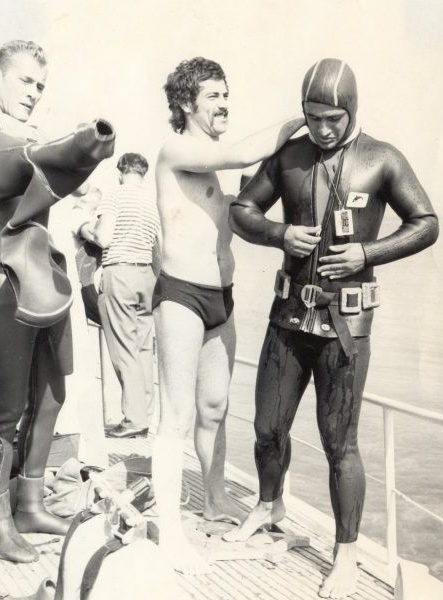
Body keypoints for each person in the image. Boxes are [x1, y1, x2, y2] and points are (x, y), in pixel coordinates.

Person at [226, 58, 439, 598]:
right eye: (312, 117)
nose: (322, 128)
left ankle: (345, 554)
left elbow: (426, 223)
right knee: (267, 427)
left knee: (338, 442)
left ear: (352, 111)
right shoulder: (290, 155)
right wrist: (278, 234)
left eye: (333, 119)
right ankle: (269, 506)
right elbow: (242, 210)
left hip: (346, 323)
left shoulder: (382, 158)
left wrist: (368, 252)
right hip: (288, 317)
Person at [152, 56, 306, 575]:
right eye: (213, 96)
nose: (224, 104)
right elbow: (244, 150)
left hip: (222, 297)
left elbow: (244, 214)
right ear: (185, 103)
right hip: (181, 294)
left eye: (226, 95)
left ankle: (214, 500)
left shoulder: (216, 167)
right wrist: (302, 118)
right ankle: (170, 532)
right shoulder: (176, 149)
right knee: (176, 417)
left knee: (214, 408)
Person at [0, 40, 114, 563]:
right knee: (5, 407)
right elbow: (12, 168)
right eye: (25, 81)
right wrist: (80, 146)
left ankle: (30, 503)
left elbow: (54, 172)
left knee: (53, 393)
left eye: (40, 85)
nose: (34, 93)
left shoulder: (31, 139)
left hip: (41, 271)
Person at [92, 153, 161, 438]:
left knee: (123, 348)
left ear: (120, 172)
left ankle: (133, 419)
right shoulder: (152, 201)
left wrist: (88, 230)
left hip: (120, 272)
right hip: (147, 276)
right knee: (143, 347)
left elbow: (104, 238)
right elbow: (158, 247)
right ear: (143, 173)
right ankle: (145, 414)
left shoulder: (115, 196)